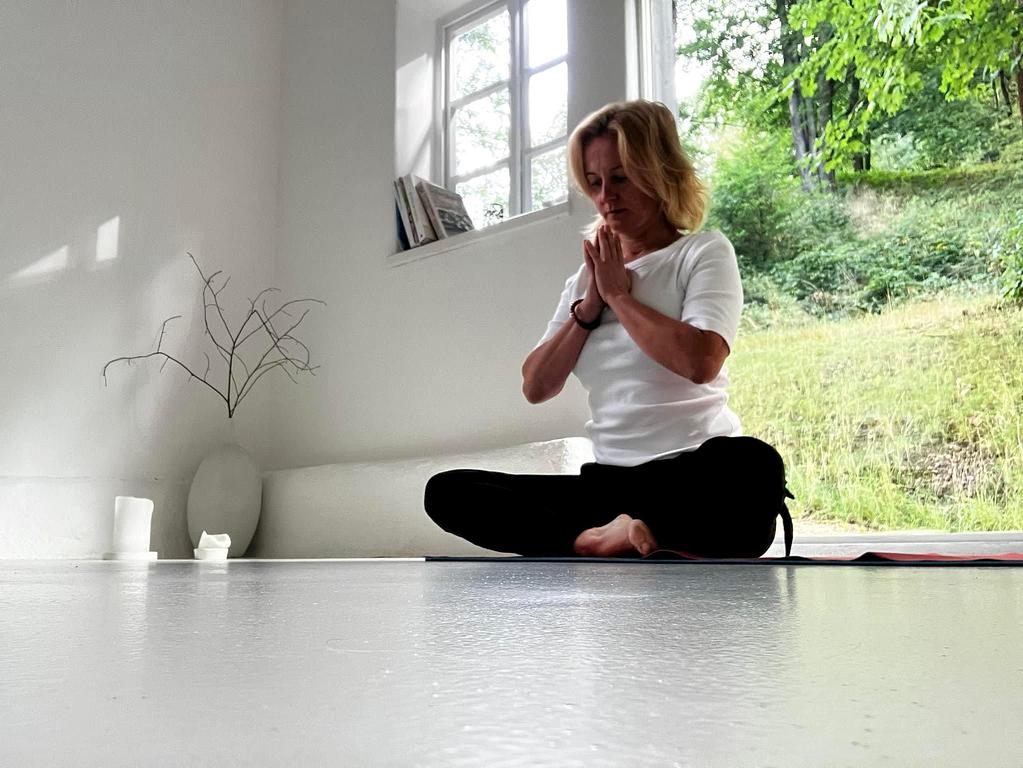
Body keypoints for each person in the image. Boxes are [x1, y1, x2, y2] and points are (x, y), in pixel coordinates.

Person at [424, 99, 793, 559]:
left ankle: (638, 531)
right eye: (594, 182)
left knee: (756, 467)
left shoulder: (701, 253)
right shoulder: (584, 281)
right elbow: (536, 386)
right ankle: (597, 539)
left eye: (620, 178)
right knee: (448, 490)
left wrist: (620, 296)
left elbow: (701, 362)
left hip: (692, 473)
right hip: (609, 484)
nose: (605, 197)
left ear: (659, 174)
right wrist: (590, 307)